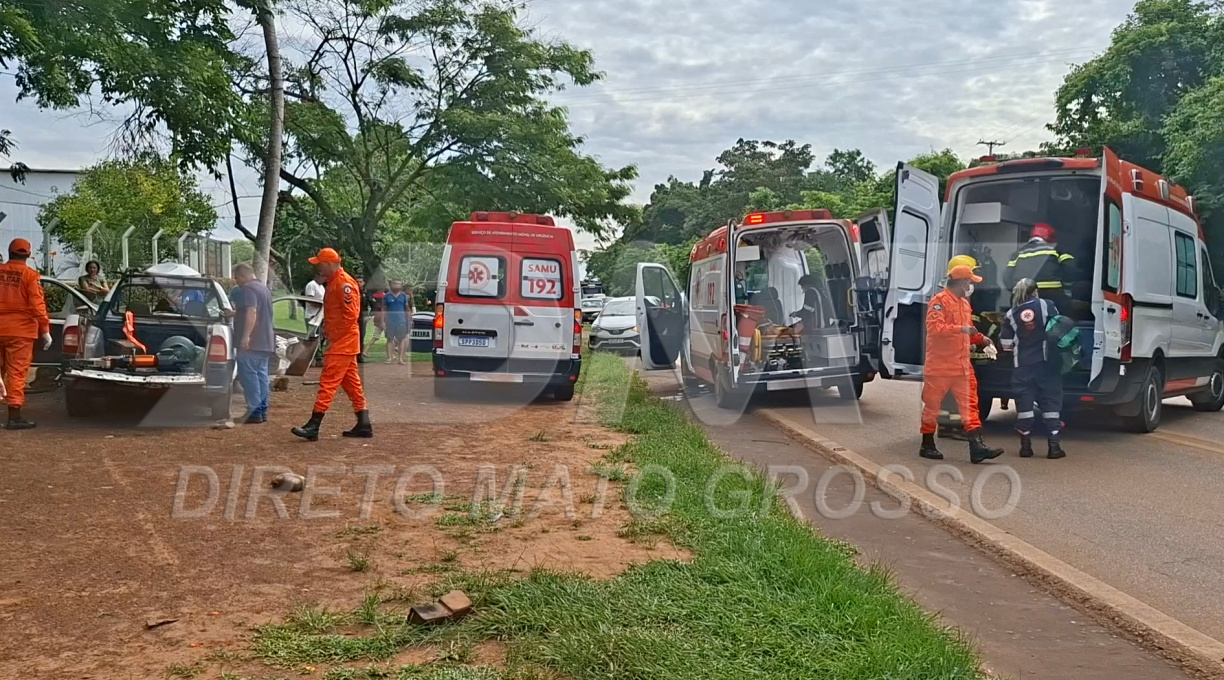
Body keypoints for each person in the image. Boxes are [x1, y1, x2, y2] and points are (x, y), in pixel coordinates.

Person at [919, 264, 1004, 463]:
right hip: (940, 366)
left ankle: (977, 448)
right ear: (959, 282)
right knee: (932, 406)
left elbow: (969, 331)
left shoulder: (964, 304)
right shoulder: (939, 301)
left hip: (961, 366)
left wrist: (982, 339)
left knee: (970, 406)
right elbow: (934, 328)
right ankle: (927, 444)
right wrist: (961, 329)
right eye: (969, 281)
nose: (971, 285)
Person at [291, 248, 372, 441]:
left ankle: (314, 425)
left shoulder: (343, 283)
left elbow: (351, 315)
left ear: (328, 263)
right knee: (352, 384)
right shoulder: (336, 281)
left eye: (319, 263)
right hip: (343, 341)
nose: (317, 266)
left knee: (328, 383)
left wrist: (333, 334)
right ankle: (364, 423)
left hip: (342, 342)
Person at [1000, 278, 1066, 459]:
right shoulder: (1047, 305)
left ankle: (1025, 447)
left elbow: (1005, 345)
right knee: (1051, 402)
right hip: (1047, 364)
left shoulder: (1011, 314)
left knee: (1024, 404)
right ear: (1035, 291)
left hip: (1022, 366)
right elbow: (1059, 327)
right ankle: (1054, 447)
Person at [0, 239, 52, 430]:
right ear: (28, 255)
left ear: (9, 252)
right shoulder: (30, 276)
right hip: (20, 332)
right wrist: (45, 330)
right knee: (16, 372)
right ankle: (14, 417)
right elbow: (37, 306)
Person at [231, 263, 276, 425]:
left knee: (249, 376)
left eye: (236, 278)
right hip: (266, 341)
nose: (236, 281)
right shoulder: (263, 289)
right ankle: (262, 410)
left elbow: (252, 311)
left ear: (243, 275)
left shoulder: (248, 289)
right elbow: (258, 310)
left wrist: (245, 337)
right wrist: (235, 313)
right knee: (261, 375)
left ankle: (254, 410)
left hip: (253, 342)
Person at [1004, 223, 1076, 313]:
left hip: (1024, 297)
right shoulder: (1055, 250)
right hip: (1052, 295)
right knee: (1063, 315)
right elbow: (1071, 269)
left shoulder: (1018, 253)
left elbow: (1007, 279)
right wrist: (1067, 285)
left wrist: (1019, 291)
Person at [383, 281, 411, 364]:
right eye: (395, 284)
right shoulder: (387, 296)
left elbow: (406, 308)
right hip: (390, 321)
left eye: (399, 284)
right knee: (389, 339)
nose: (397, 285)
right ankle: (389, 358)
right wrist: (383, 321)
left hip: (401, 320)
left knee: (401, 340)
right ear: (391, 285)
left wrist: (410, 318)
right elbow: (384, 309)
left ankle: (400, 359)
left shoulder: (403, 296)